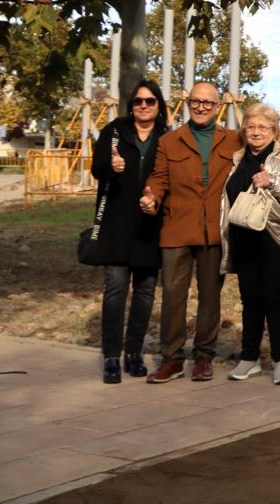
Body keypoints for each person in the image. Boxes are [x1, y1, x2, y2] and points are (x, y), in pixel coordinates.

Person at [140, 82, 244, 383]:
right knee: (173, 295)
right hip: (177, 228)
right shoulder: (170, 141)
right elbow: (158, 178)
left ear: (217, 107)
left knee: (210, 297)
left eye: (207, 103)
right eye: (195, 102)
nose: (201, 107)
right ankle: (171, 359)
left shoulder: (233, 139)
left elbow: (263, 137)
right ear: (187, 103)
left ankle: (203, 357)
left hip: (215, 231)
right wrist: (152, 197)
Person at [90, 80, 169, 383]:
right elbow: (97, 169)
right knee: (115, 290)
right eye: (138, 101)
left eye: (150, 101)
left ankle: (133, 352)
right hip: (116, 224)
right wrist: (111, 166)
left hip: (151, 225)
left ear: (159, 105)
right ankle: (111, 355)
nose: (144, 106)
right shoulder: (114, 131)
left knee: (145, 293)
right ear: (131, 105)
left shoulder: (167, 137)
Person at [220, 104, 280, 385]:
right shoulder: (237, 158)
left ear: (274, 130)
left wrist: (272, 182)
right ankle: (249, 358)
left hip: (275, 237)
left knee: (275, 298)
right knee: (250, 300)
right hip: (243, 237)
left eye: (263, 127)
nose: (256, 132)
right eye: (251, 126)